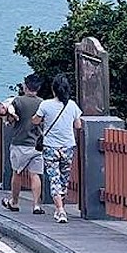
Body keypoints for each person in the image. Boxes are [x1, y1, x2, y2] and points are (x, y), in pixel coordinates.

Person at [34, 73, 85, 224]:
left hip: (50, 146)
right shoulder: (72, 105)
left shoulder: (45, 105)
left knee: (54, 177)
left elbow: (36, 120)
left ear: (53, 89)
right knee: (64, 177)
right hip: (68, 146)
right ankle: (59, 207)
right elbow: (78, 125)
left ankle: (60, 210)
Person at [0, 74, 45, 214]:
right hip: (36, 143)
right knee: (35, 174)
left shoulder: (18, 101)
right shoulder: (42, 103)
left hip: (19, 142)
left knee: (17, 173)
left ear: (25, 86)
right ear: (38, 88)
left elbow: (10, 118)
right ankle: (37, 205)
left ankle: (14, 202)